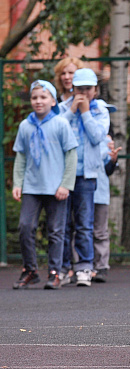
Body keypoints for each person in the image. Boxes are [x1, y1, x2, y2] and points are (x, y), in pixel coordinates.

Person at [12, 80, 78, 289]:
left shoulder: (60, 123)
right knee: (25, 227)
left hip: (56, 186)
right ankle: (30, 269)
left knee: (56, 231)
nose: (38, 101)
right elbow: (21, 157)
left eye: (43, 97)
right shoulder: (25, 125)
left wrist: (66, 184)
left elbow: (71, 155)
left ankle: (54, 272)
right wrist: (18, 182)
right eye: (34, 97)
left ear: (52, 100)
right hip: (32, 186)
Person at [58, 68, 110, 286]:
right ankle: (63, 268)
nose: (84, 93)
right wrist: (71, 111)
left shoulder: (100, 110)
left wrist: (86, 111)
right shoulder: (61, 109)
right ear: (72, 89)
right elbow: (56, 132)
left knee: (84, 224)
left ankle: (85, 267)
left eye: (88, 88)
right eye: (79, 89)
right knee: (62, 224)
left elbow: (98, 136)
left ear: (95, 90)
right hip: (63, 176)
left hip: (87, 176)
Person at [91, 134, 122, 283]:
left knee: (100, 231)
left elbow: (109, 169)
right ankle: (81, 267)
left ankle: (101, 267)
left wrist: (113, 159)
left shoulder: (106, 140)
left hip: (100, 193)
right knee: (79, 230)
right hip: (78, 192)